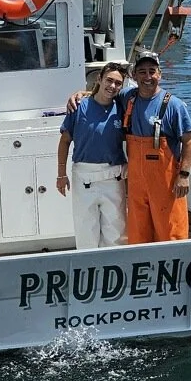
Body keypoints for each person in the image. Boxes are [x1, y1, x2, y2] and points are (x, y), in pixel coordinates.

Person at [120, 52, 191, 245]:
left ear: (159, 74)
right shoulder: (127, 98)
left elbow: (188, 141)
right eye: (142, 72)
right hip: (137, 184)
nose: (147, 77)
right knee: (137, 235)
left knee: (171, 234)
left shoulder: (174, 105)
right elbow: (104, 94)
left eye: (152, 71)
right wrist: (82, 94)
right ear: (134, 75)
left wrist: (184, 175)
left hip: (166, 184)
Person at [57, 62, 128, 249]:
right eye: (109, 80)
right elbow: (65, 141)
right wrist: (61, 174)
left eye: (118, 83)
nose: (112, 86)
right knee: (86, 232)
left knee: (117, 234)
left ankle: (114, 266)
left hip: (114, 177)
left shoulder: (122, 108)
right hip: (84, 177)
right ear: (99, 79)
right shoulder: (78, 107)